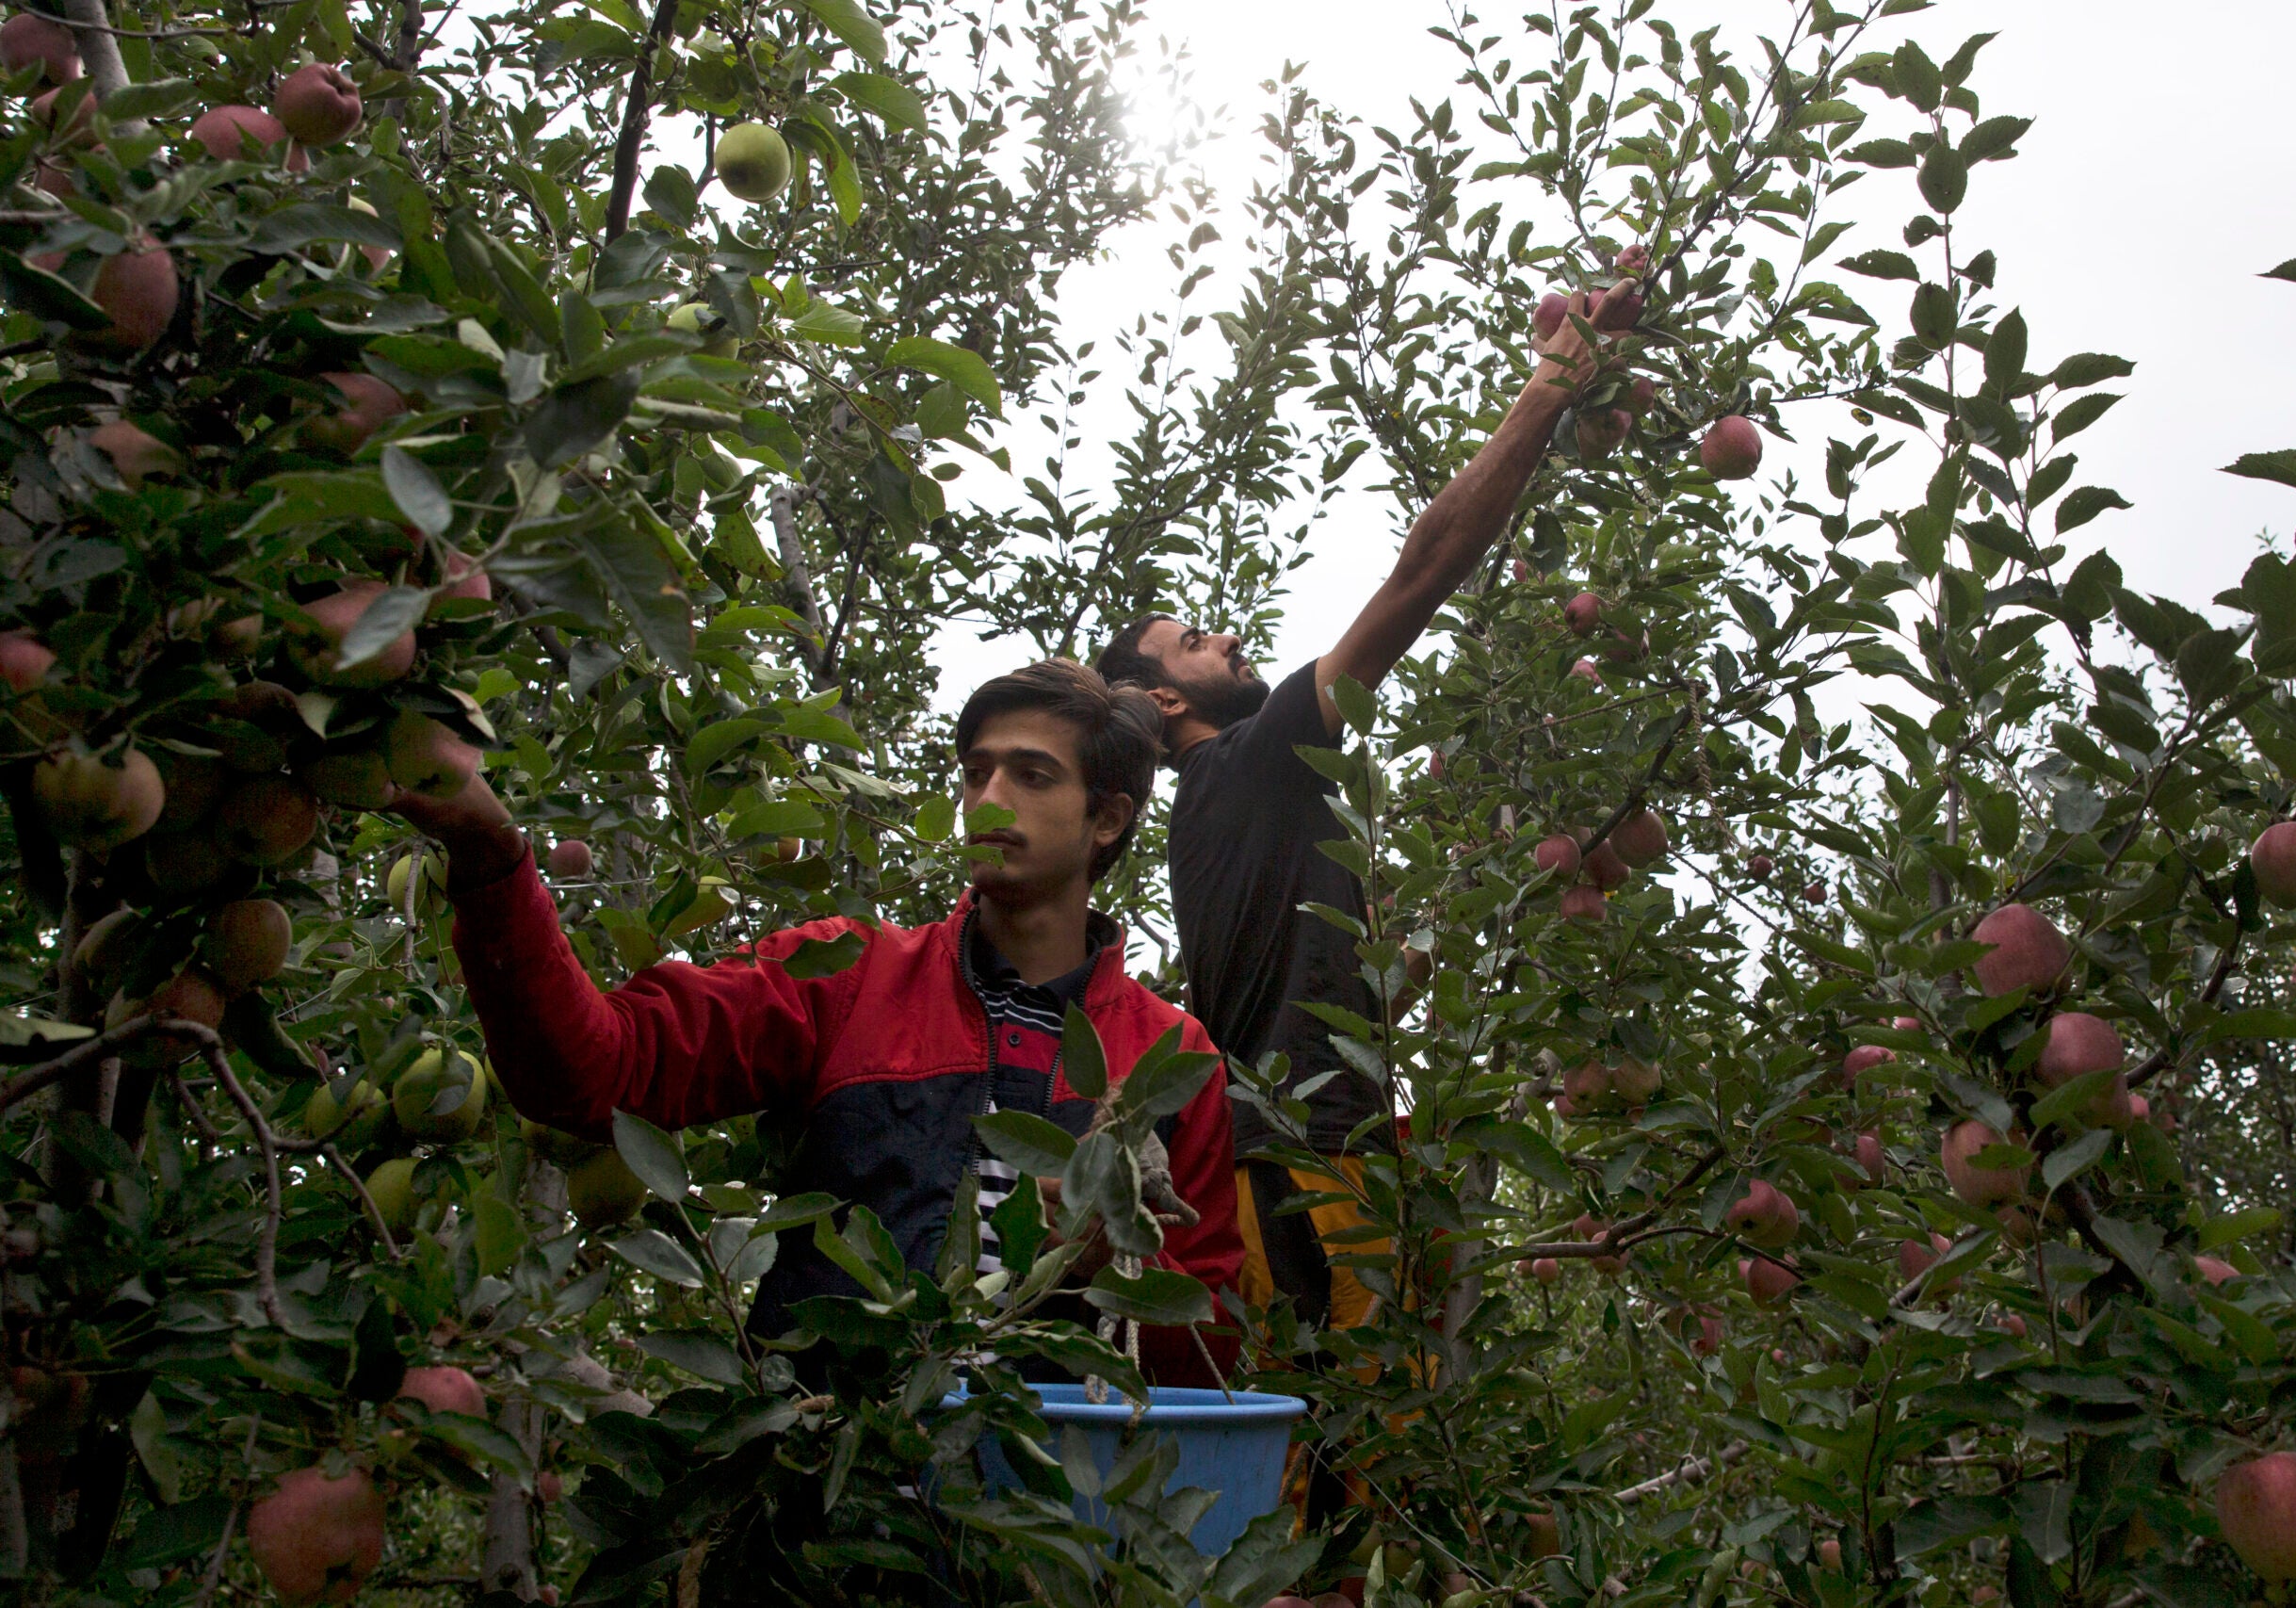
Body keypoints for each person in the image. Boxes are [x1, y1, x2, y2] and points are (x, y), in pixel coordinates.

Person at [394, 658, 1243, 1386]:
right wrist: (492, 858)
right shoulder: (844, 975)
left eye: (1031, 774)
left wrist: (1111, 1267)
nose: (988, 798)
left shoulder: (1170, 1056)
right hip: (829, 1503)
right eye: (975, 771)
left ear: (1108, 818)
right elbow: (593, 1074)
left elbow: (1214, 1352)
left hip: (1052, 1530)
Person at [1093, 283, 1623, 1436]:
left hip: (1313, 1157)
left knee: (1361, 1472)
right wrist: (1554, 382)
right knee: (1333, 1470)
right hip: (1302, 1165)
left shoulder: (1223, 811)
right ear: (1157, 698)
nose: (1227, 635)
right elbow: (1423, 569)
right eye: (1194, 638)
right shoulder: (1255, 760)